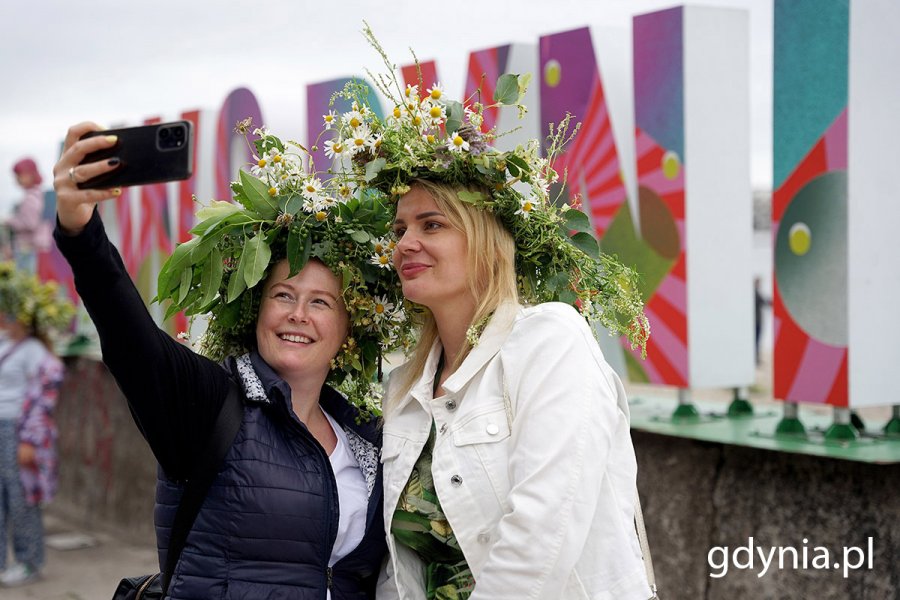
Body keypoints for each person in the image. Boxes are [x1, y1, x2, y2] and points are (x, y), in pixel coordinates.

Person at [316, 29, 655, 600]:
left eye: (432, 224)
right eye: (399, 229)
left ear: (485, 241)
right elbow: (399, 568)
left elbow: (542, 537)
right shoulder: (404, 385)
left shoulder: (550, 342)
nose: (404, 243)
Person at [52, 122, 412, 599]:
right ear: (257, 310)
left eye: (321, 302)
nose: (298, 315)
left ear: (350, 329)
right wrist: (82, 235)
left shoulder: (366, 437)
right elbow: (129, 337)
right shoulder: (210, 403)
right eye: (283, 295)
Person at [0, 263, 71, 587]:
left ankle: (30, 561)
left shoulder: (33, 351)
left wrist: (29, 440)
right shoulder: (5, 344)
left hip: (17, 430)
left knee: (21, 497)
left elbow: (45, 393)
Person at [8, 158, 52, 273]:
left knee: (25, 282)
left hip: (28, 247)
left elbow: (30, 223)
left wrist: (10, 221)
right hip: (35, 247)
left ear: (30, 175)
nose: (17, 179)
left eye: (19, 175)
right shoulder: (38, 194)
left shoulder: (31, 197)